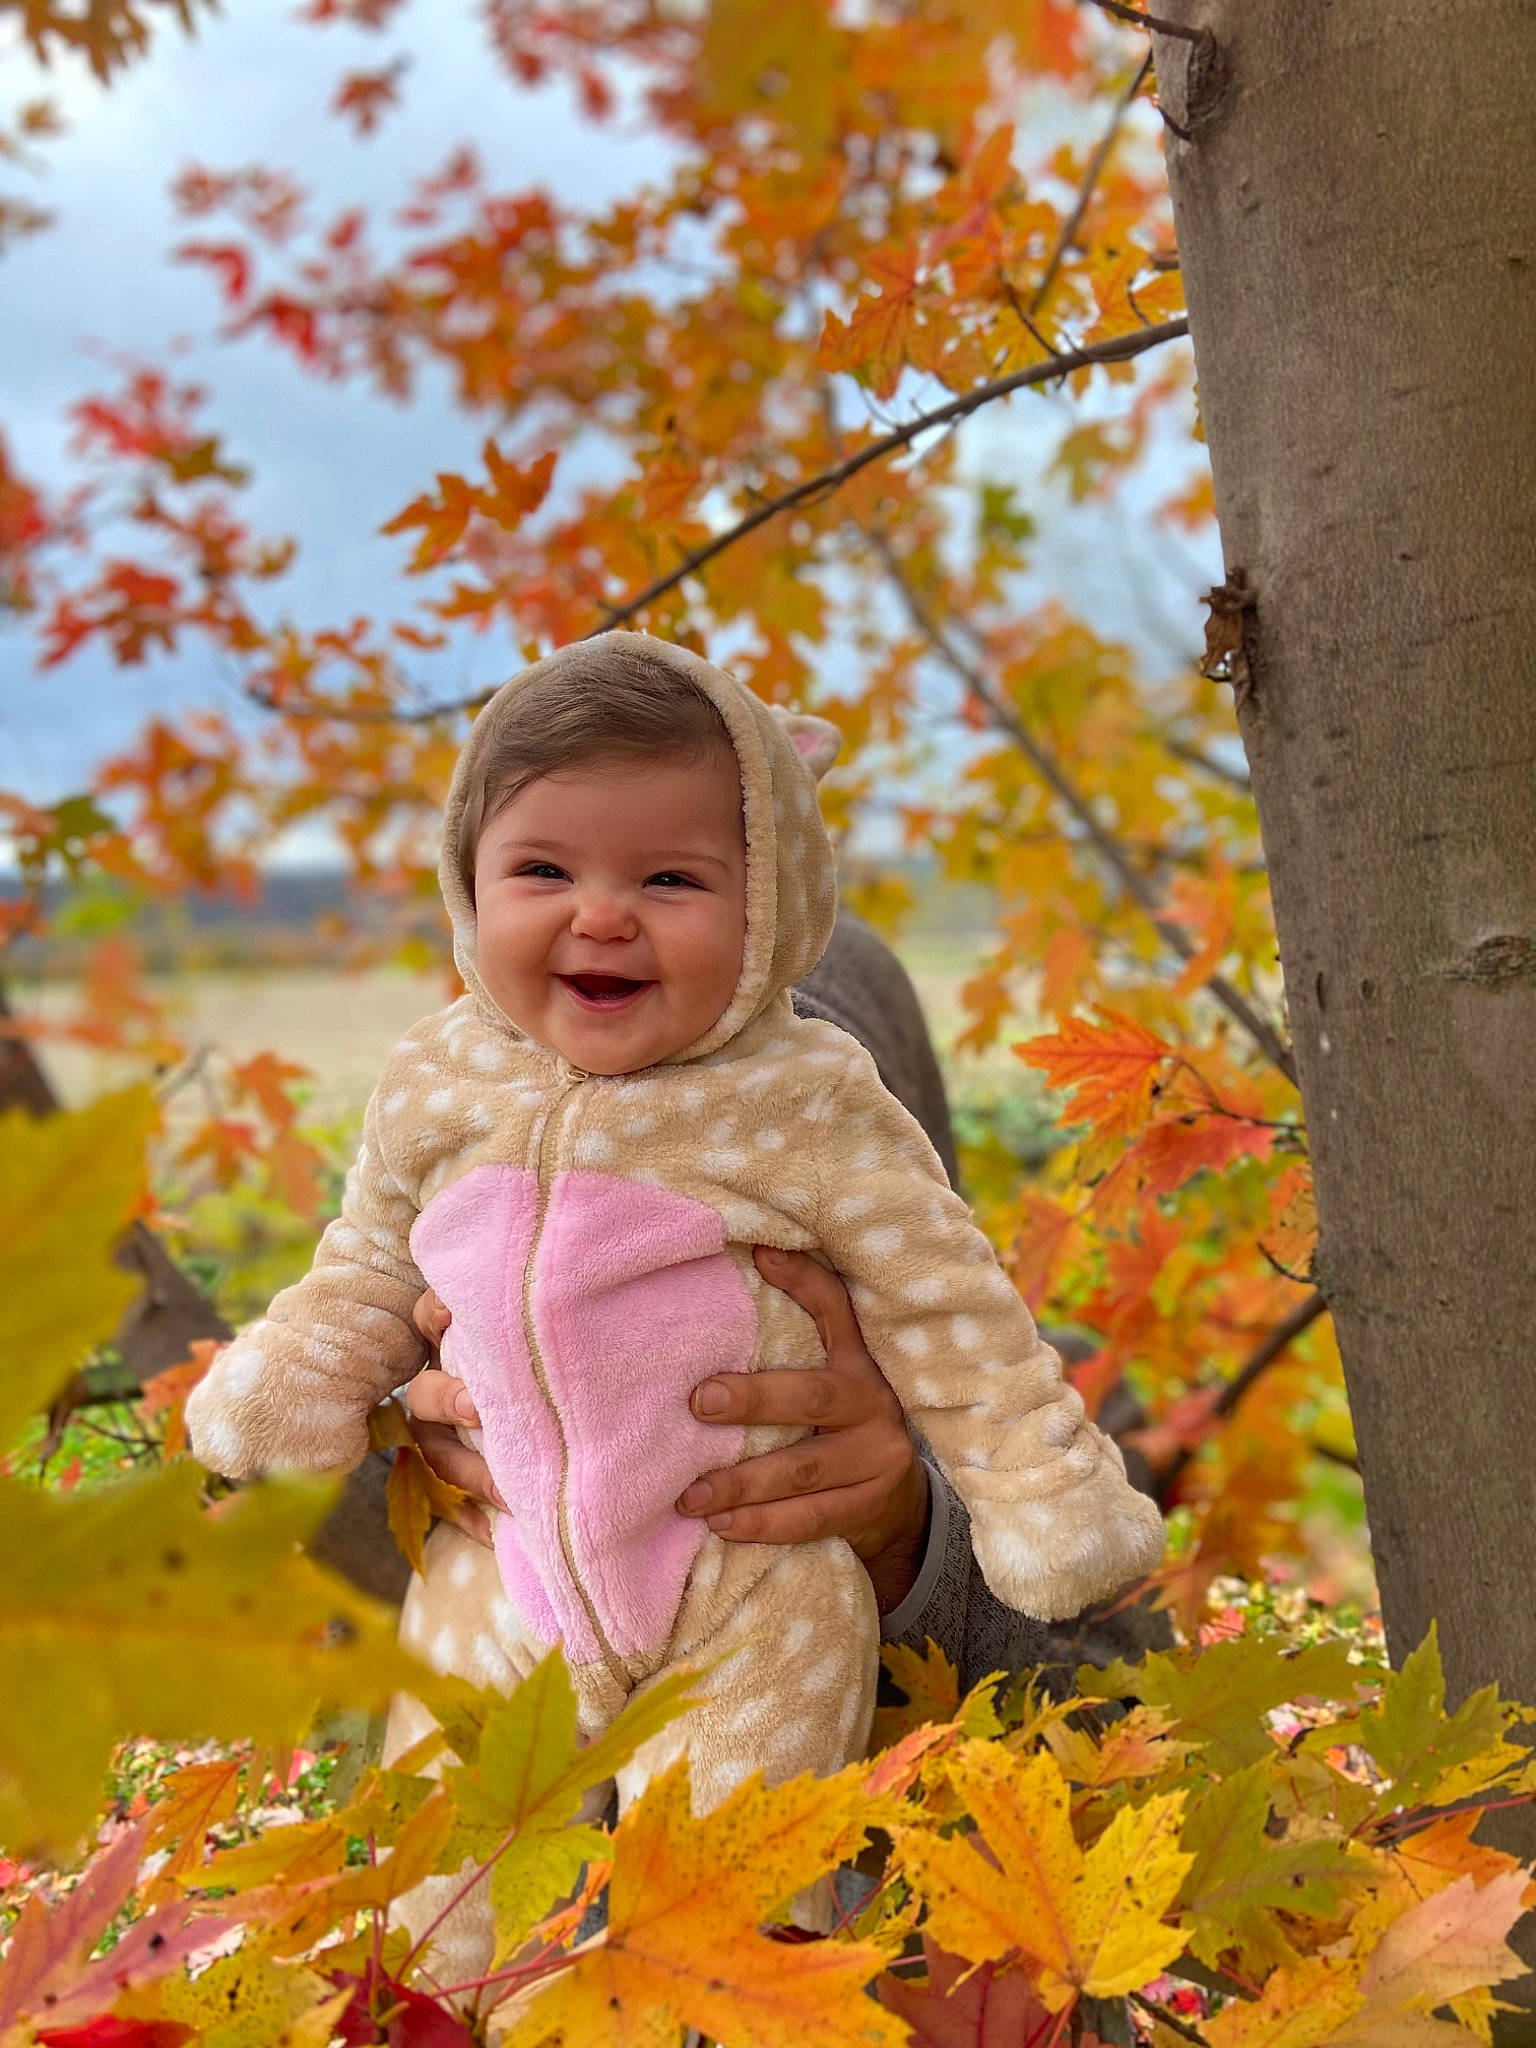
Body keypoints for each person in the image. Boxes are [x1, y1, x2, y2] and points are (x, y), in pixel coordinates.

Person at [186, 632, 1163, 1825]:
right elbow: (363, 1270)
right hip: (501, 1604)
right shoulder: (444, 1131)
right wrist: (386, 1422)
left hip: (767, 1634)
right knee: (448, 1886)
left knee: (725, 1893)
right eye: (544, 871)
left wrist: (910, 1530)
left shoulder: (1015, 1338)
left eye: (672, 883)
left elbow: (1115, 1708)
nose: (604, 918)